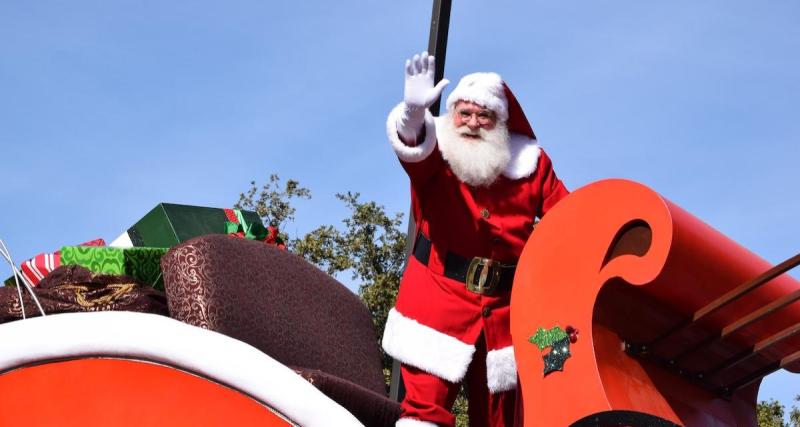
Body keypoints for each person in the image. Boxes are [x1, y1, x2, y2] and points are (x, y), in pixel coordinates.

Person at [381, 51, 570, 427]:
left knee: (500, 422)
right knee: (423, 414)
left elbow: (568, 221)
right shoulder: (440, 153)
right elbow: (414, 151)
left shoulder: (532, 166)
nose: (471, 123)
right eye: (463, 113)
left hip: (504, 313)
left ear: (501, 121)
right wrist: (413, 115)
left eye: (482, 115)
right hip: (435, 300)